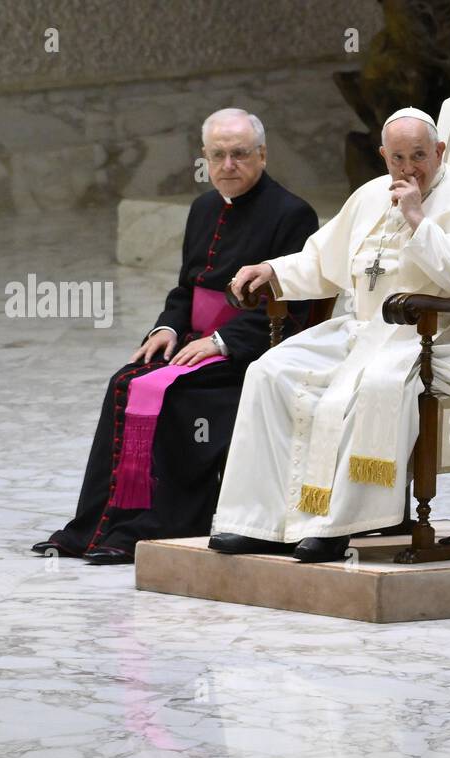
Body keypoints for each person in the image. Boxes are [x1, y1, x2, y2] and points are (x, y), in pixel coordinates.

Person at [207, 106, 450, 563]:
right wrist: (271, 269)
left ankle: (339, 526)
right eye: (397, 158)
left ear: (439, 151)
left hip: (442, 337)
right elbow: (322, 261)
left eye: (419, 155)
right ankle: (260, 522)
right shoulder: (370, 196)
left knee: (377, 383)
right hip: (364, 331)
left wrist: (420, 220)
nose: (408, 168)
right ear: (383, 155)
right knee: (270, 370)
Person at [32, 109, 318, 564]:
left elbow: (293, 303)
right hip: (192, 342)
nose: (228, 165)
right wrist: (165, 328)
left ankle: (156, 526)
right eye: (218, 155)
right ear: (204, 157)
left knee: (174, 395)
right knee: (126, 381)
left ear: (262, 155)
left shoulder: (292, 213)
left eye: (240, 154)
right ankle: (93, 527)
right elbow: (187, 288)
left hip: (253, 353)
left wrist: (221, 341)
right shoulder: (203, 208)